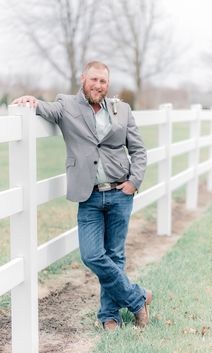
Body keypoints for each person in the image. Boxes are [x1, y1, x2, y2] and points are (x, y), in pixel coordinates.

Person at [13, 61, 152, 330]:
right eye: (93, 80)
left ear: (107, 84)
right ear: (83, 79)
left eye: (103, 81)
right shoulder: (67, 104)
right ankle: (138, 299)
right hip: (88, 195)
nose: (98, 85)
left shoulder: (121, 109)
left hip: (120, 193)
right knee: (91, 256)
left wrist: (134, 182)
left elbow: (139, 150)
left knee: (115, 255)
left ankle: (109, 316)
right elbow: (47, 109)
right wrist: (33, 101)